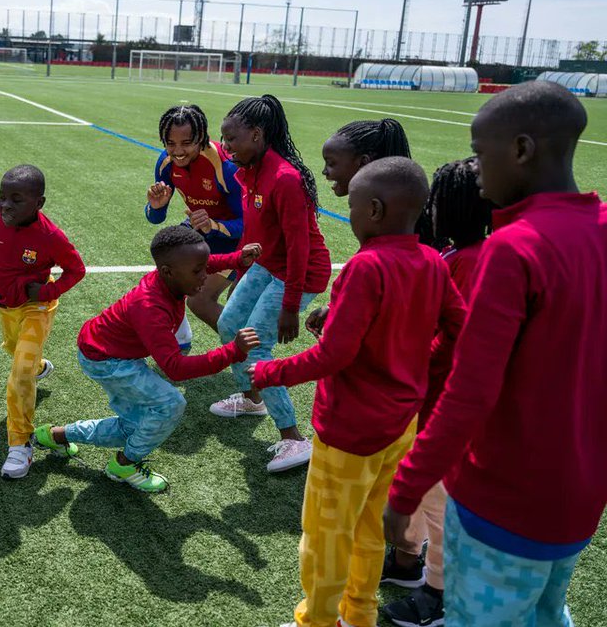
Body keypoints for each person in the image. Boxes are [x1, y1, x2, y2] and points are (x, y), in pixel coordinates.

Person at [384, 81, 607, 627]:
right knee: (546, 613)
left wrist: (408, 487)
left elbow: (470, 389)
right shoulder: (600, 229)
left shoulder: (515, 247)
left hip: (504, 497)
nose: (476, 170)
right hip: (580, 494)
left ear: (523, 150)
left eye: (482, 154)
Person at [250, 157, 465, 627]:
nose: (346, 214)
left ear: (372, 209)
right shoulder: (432, 260)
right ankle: (358, 615)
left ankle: (319, 620)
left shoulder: (366, 267)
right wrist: (412, 358)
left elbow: (333, 356)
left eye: (349, 206)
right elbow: (457, 324)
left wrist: (270, 372)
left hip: (350, 431)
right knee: (369, 529)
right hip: (400, 425)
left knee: (325, 536)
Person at [34, 225, 261, 493]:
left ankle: (54, 436)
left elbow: (207, 261)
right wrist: (232, 351)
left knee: (134, 426)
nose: (205, 275)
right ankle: (125, 463)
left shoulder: (171, 276)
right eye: (197, 271)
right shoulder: (151, 308)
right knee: (171, 404)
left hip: (108, 352)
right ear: (167, 272)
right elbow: (176, 369)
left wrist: (236, 259)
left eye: (204, 267)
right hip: (106, 360)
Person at [379, 157, 494, 627]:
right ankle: (408, 565)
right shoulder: (456, 254)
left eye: (436, 202)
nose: (429, 211)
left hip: (443, 407)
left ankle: (438, 594)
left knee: (438, 504)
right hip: (425, 400)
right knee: (419, 493)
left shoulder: (471, 261)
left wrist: (399, 354)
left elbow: (453, 337)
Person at [213, 95, 332, 473]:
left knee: (259, 345)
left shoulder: (285, 179)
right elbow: (253, 232)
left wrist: (289, 306)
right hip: (267, 265)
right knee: (230, 324)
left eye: (230, 138)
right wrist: (244, 274)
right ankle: (253, 398)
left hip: (301, 272)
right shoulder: (246, 169)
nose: (225, 146)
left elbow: (301, 248)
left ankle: (294, 438)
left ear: (257, 135)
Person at [0, 165, 85, 480]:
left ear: (39, 203)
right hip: (5, 304)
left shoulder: (51, 237)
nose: (6, 205)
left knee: (19, 372)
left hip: (37, 307)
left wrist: (49, 290)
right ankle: (38, 367)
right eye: (3, 197)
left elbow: (76, 270)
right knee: (14, 351)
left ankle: (20, 444)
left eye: (17, 199)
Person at [306, 118, 411, 338]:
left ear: (363, 163)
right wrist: (335, 306)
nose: (325, 171)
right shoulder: (378, 210)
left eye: (332, 163)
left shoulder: (394, 221)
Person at [144, 105, 244, 335]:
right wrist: (155, 206)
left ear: (201, 138)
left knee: (201, 302)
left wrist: (214, 225)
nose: (177, 151)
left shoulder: (226, 167)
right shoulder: (165, 163)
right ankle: (177, 338)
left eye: (186, 143)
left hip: (236, 241)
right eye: (170, 143)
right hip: (200, 234)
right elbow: (155, 218)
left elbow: (248, 223)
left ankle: (245, 349)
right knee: (165, 268)